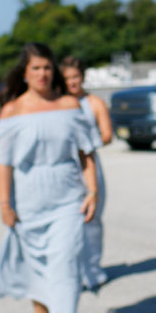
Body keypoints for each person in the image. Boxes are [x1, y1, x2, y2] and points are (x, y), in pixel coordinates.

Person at [0, 43, 99, 313]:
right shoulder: (12, 112)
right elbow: (3, 165)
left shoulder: (69, 105)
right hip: (29, 201)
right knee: (37, 269)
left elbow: (86, 154)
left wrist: (92, 192)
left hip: (67, 199)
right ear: (25, 73)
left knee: (64, 265)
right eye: (36, 68)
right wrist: (5, 204)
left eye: (47, 67)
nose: (43, 74)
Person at [59, 56, 113, 289]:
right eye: (67, 78)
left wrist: (85, 144)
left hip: (89, 164)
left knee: (92, 219)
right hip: (65, 166)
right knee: (68, 221)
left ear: (82, 77)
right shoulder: (57, 102)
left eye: (75, 77)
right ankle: (72, 269)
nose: (72, 82)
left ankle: (93, 269)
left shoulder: (94, 102)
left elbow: (107, 135)